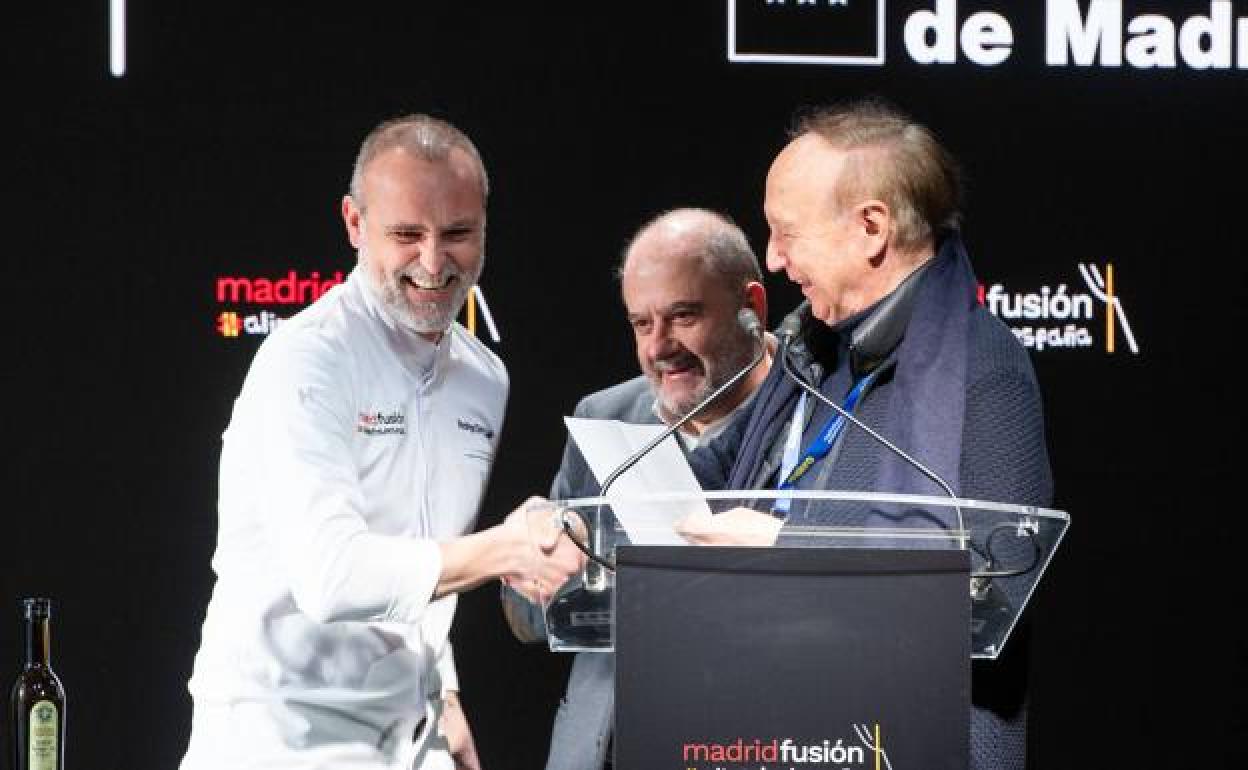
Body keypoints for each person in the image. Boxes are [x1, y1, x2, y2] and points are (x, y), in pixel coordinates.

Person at [179, 114, 583, 770]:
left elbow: (418, 543)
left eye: (458, 233)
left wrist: (442, 688)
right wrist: (505, 548)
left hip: (410, 736)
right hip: (277, 739)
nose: (434, 262)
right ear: (354, 223)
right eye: (406, 234)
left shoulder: (484, 378)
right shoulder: (306, 361)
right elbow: (332, 577)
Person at [680, 99, 1054, 770]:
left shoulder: (985, 370)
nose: (773, 259)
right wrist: (594, 513)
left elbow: (995, 587)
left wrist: (788, 549)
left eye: (786, 233)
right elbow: (714, 479)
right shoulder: (812, 356)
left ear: (871, 228)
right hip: (775, 726)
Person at [503, 208, 772, 770]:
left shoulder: (811, 414)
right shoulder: (605, 415)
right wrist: (532, 560)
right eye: (641, 324)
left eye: (683, 316)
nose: (659, 346)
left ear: (752, 307)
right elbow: (527, 618)